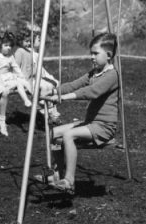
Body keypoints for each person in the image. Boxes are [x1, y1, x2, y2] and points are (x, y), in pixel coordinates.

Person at [41, 32, 120, 194]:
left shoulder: (113, 75)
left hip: (104, 127)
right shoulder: (94, 73)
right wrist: (53, 91)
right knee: (54, 133)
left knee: (69, 135)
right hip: (91, 123)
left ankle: (69, 181)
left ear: (109, 55)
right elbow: (74, 85)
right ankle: (57, 174)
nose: (92, 57)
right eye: (91, 53)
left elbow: (92, 92)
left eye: (96, 53)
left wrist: (61, 98)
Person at [14, 28, 61, 123]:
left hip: (33, 77)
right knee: (44, 86)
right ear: (20, 42)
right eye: (26, 41)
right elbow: (16, 66)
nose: (28, 44)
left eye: (29, 41)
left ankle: (50, 110)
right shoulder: (19, 51)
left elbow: (35, 68)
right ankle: (44, 109)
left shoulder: (30, 52)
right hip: (25, 79)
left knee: (49, 86)